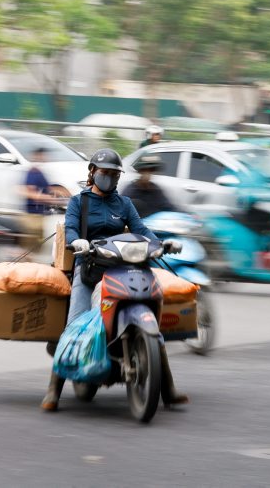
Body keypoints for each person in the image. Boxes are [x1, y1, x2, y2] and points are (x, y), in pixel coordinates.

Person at [41, 148, 187, 411]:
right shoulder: (79, 202)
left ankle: (168, 390)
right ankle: (53, 390)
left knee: (155, 329)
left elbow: (141, 230)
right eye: (105, 172)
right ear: (93, 172)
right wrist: (77, 242)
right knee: (74, 326)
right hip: (89, 269)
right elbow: (71, 228)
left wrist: (162, 243)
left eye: (114, 174)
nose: (110, 178)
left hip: (121, 268)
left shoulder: (124, 204)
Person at [18, 146, 58, 250]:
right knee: (30, 247)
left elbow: (48, 188)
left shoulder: (40, 172)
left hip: (39, 214)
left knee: (36, 246)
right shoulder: (33, 172)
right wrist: (49, 198)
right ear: (37, 156)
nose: (46, 157)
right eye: (43, 155)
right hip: (32, 215)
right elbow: (31, 192)